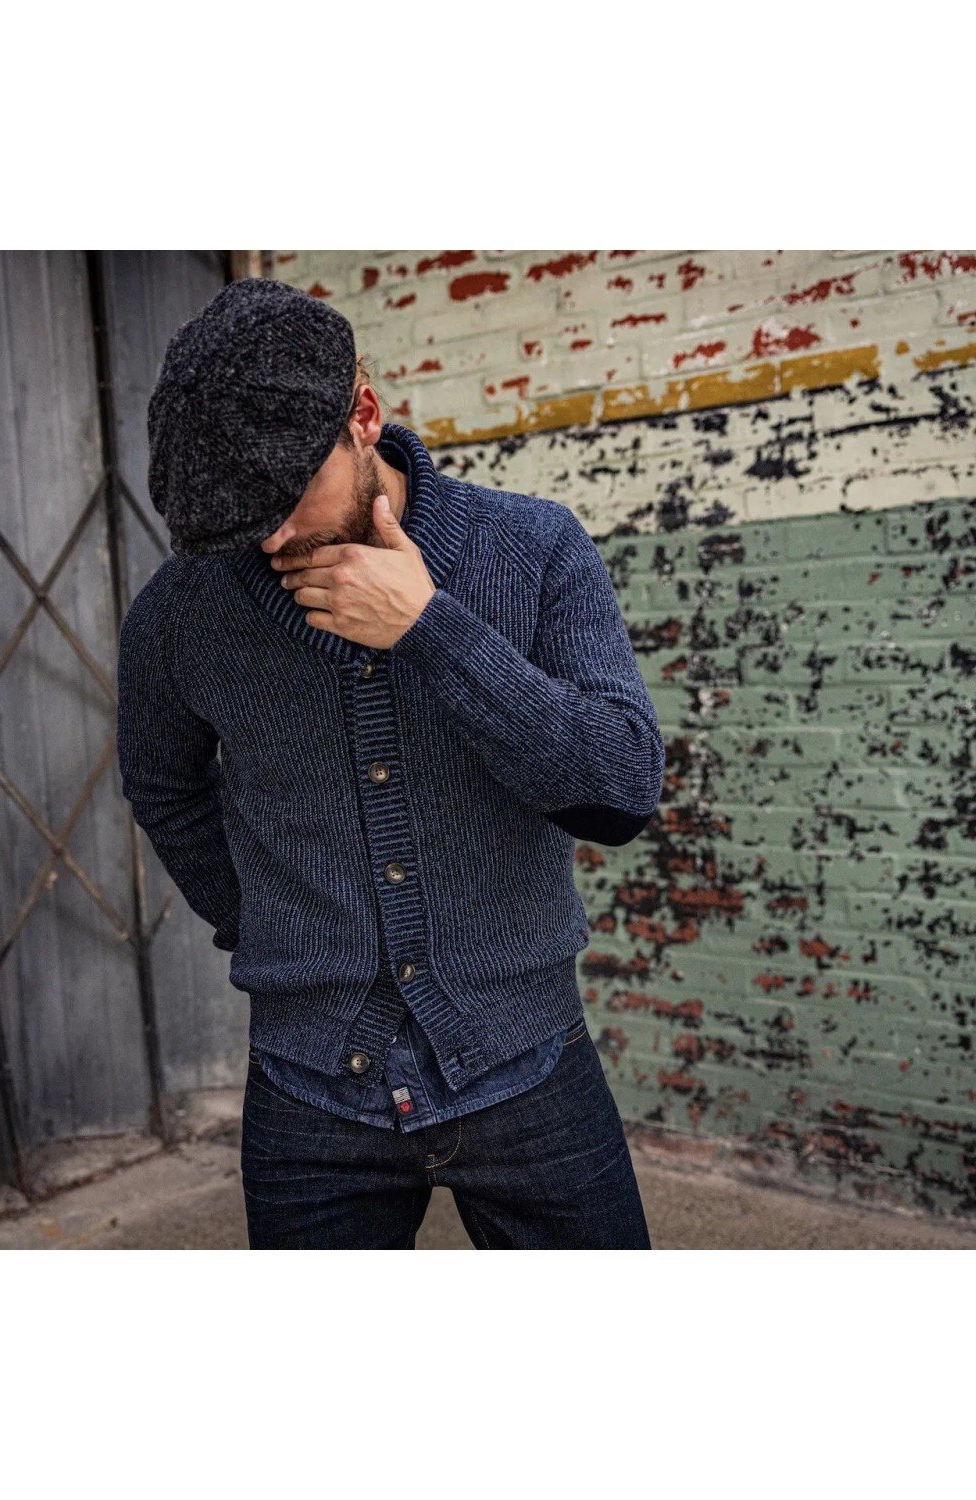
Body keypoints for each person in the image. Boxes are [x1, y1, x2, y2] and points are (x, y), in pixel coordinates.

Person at [117, 276, 665, 1249]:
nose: (271, 537)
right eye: (241, 518)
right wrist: (271, 922)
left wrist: (431, 629)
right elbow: (164, 787)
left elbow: (621, 788)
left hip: (530, 1064)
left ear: (363, 417)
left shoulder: (533, 548)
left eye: (287, 498)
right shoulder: (179, 614)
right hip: (308, 1094)